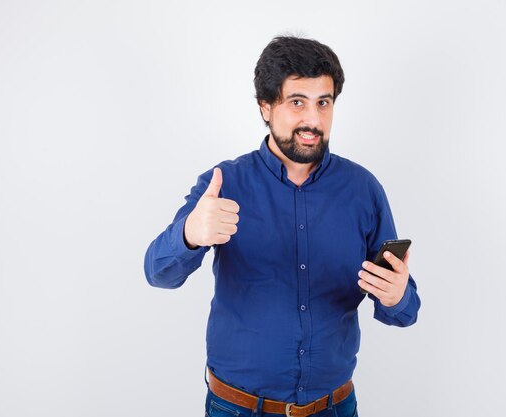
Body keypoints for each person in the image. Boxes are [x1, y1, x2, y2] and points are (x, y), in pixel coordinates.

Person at [144, 36, 421, 417]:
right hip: (238, 409)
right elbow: (158, 273)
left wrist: (397, 296)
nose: (313, 120)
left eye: (323, 102)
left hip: (334, 408)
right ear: (265, 107)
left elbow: (404, 310)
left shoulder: (363, 190)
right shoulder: (224, 184)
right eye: (297, 103)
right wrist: (190, 234)